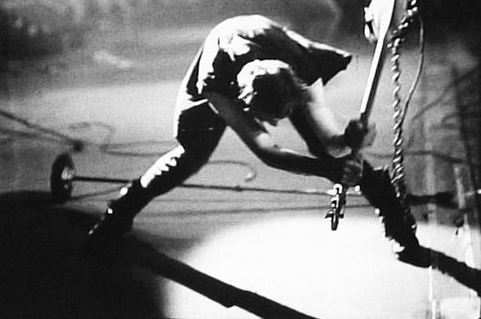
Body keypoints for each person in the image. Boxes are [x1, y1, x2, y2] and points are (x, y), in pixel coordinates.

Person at [87, 14, 420, 256]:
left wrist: (347, 139)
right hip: (219, 59)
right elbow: (267, 151)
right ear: (247, 106)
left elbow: (329, 138)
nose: (277, 125)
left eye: (285, 114)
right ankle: (122, 210)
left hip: (272, 43)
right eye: (271, 119)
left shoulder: (301, 71)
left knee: (325, 148)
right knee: (192, 155)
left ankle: (396, 222)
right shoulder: (217, 85)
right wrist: (329, 171)